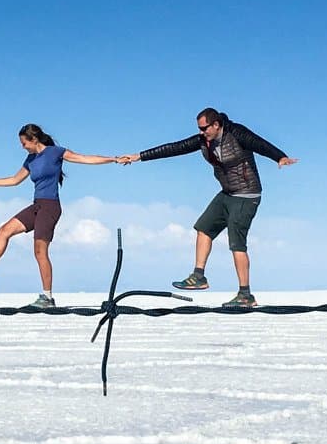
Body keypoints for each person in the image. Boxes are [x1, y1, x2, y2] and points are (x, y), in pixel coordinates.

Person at [117, 107, 297, 309]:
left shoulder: (237, 133)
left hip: (247, 194)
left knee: (237, 243)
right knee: (203, 228)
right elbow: (174, 148)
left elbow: (260, 144)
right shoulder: (203, 140)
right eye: (199, 129)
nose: (201, 133)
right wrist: (139, 156)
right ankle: (198, 277)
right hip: (227, 193)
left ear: (216, 124)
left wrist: (280, 157)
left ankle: (245, 295)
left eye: (204, 129)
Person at [0, 124, 115, 310]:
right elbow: (14, 180)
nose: (22, 146)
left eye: (24, 143)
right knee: (4, 230)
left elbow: (84, 159)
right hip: (37, 206)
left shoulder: (55, 152)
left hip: (50, 207)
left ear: (34, 140)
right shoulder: (30, 160)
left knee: (40, 252)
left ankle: (47, 297)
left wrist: (113, 159)